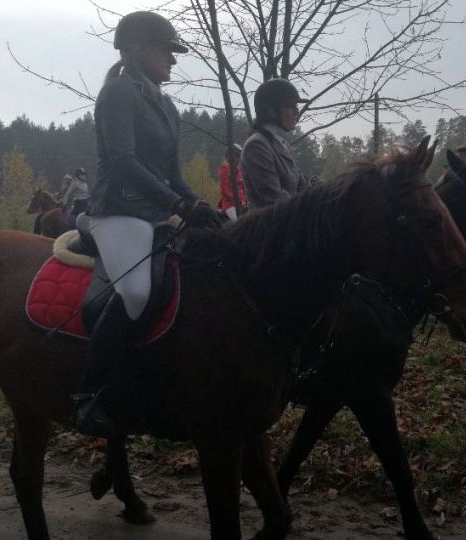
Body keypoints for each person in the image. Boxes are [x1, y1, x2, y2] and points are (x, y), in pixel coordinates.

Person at [73, 10, 221, 437]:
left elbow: (172, 174)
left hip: (154, 213)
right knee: (138, 291)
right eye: (167, 52)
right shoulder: (118, 94)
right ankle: (89, 395)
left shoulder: (167, 105)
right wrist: (177, 203)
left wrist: (197, 204)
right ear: (138, 51)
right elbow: (123, 162)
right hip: (117, 210)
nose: (173, 61)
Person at [241, 78, 310, 209]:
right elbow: (275, 200)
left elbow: (303, 188)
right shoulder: (256, 146)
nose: (297, 112)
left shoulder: (284, 145)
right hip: (269, 226)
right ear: (271, 111)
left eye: (296, 106)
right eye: (290, 106)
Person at [218, 143, 247, 221]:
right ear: (229, 156)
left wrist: (245, 200)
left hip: (243, 204)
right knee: (240, 223)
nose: (238, 158)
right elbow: (224, 191)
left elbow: (244, 188)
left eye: (239, 156)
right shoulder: (225, 168)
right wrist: (239, 201)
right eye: (236, 155)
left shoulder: (239, 170)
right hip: (230, 205)